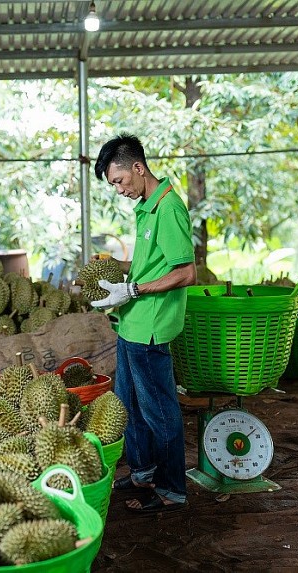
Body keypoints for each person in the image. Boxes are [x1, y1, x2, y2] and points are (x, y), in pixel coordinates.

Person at [91, 134, 197, 513]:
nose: (119, 190)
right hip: (131, 324)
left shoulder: (168, 208)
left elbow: (186, 272)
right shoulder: (146, 206)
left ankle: (171, 488)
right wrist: (115, 276)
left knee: (160, 411)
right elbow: (151, 264)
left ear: (138, 168)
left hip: (151, 326)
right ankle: (143, 470)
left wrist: (134, 288)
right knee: (129, 404)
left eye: (119, 181)